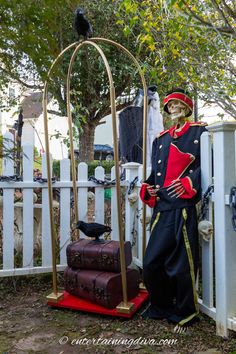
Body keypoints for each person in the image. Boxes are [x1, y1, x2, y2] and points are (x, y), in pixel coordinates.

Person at [140, 88, 207, 329]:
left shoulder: (200, 132)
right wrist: (148, 188)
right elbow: (154, 175)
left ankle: (185, 311)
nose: (173, 108)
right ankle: (161, 306)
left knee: (181, 264)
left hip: (183, 207)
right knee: (151, 263)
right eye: (170, 105)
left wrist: (191, 182)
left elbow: (208, 165)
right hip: (162, 208)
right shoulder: (161, 139)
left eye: (178, 104)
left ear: (187, 107)